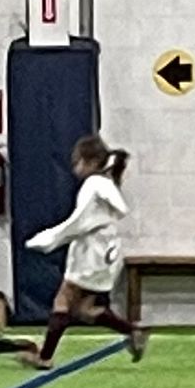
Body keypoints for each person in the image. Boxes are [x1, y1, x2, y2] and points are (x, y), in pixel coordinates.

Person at [27, 135, 148, 366]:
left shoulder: (94, 184)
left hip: (91, 250)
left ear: (91, 162)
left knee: (63, 298)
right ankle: (133, 330)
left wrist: (49, 238)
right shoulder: (106, 183)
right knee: (85, 309)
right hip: (108, 252)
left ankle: (45, 356)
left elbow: (78, 222)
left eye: (77, 162)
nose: (74, 168)